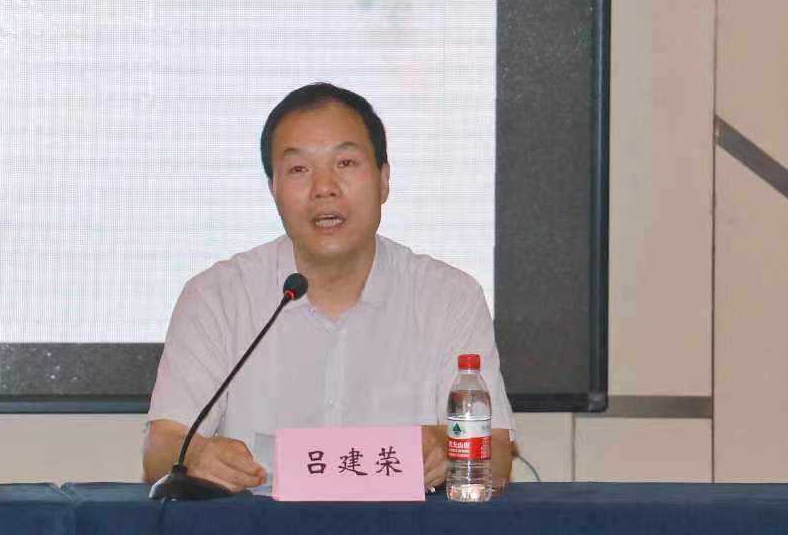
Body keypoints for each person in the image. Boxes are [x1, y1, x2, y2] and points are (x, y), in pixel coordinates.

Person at [142, 82, 515, 493]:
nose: (324, 187)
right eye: (298, 169)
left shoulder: (448, 298)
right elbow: (163, 446)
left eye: (346, 163)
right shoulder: (217, 298)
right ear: (273, 190)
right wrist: (196, 455)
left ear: (384, 180)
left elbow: (497, 450)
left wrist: (444, 446)